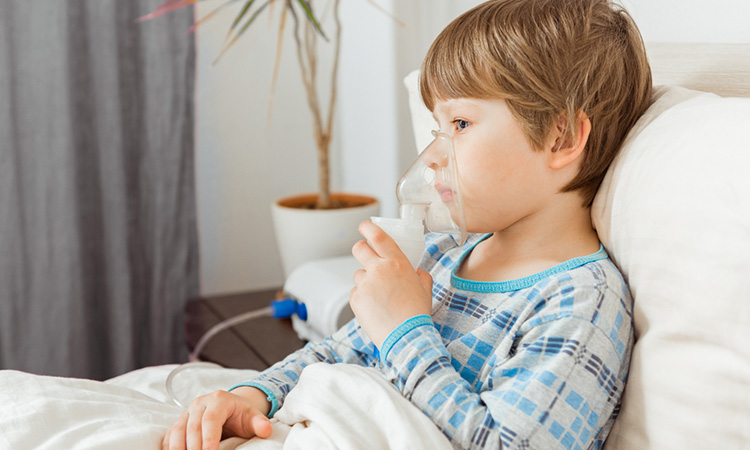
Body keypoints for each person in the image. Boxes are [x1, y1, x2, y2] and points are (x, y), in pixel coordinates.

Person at [163, 0, 652, 448]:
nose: (433, 157)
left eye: (459, 125)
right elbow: (337, 353)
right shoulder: (444, 253)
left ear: (561, 136)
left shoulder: (581, 302)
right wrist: (256, 395)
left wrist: (403, 328)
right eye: (437, 129)